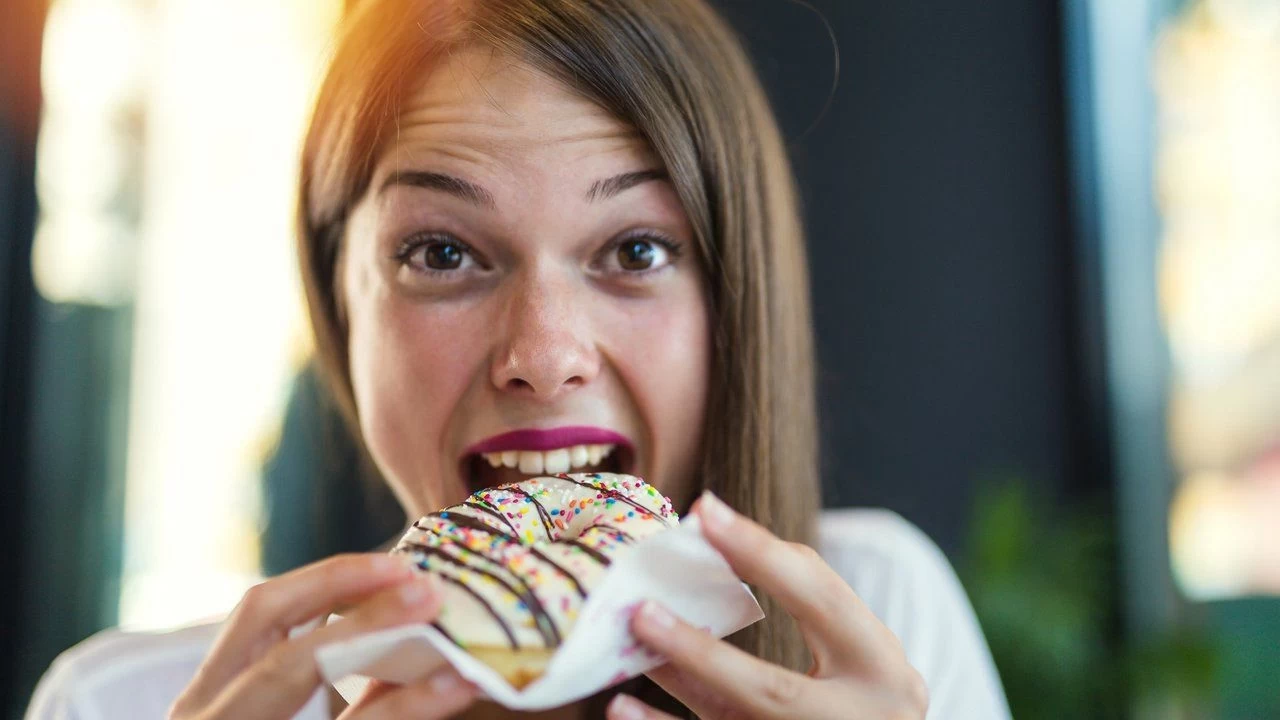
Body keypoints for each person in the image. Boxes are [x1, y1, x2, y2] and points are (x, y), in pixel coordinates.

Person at [27, 0, 1011, 718]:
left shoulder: (879, 622)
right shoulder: (117, 703)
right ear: (337, 302)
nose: (541, 357)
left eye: (635, 251)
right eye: (442, 253)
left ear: (732, 299)